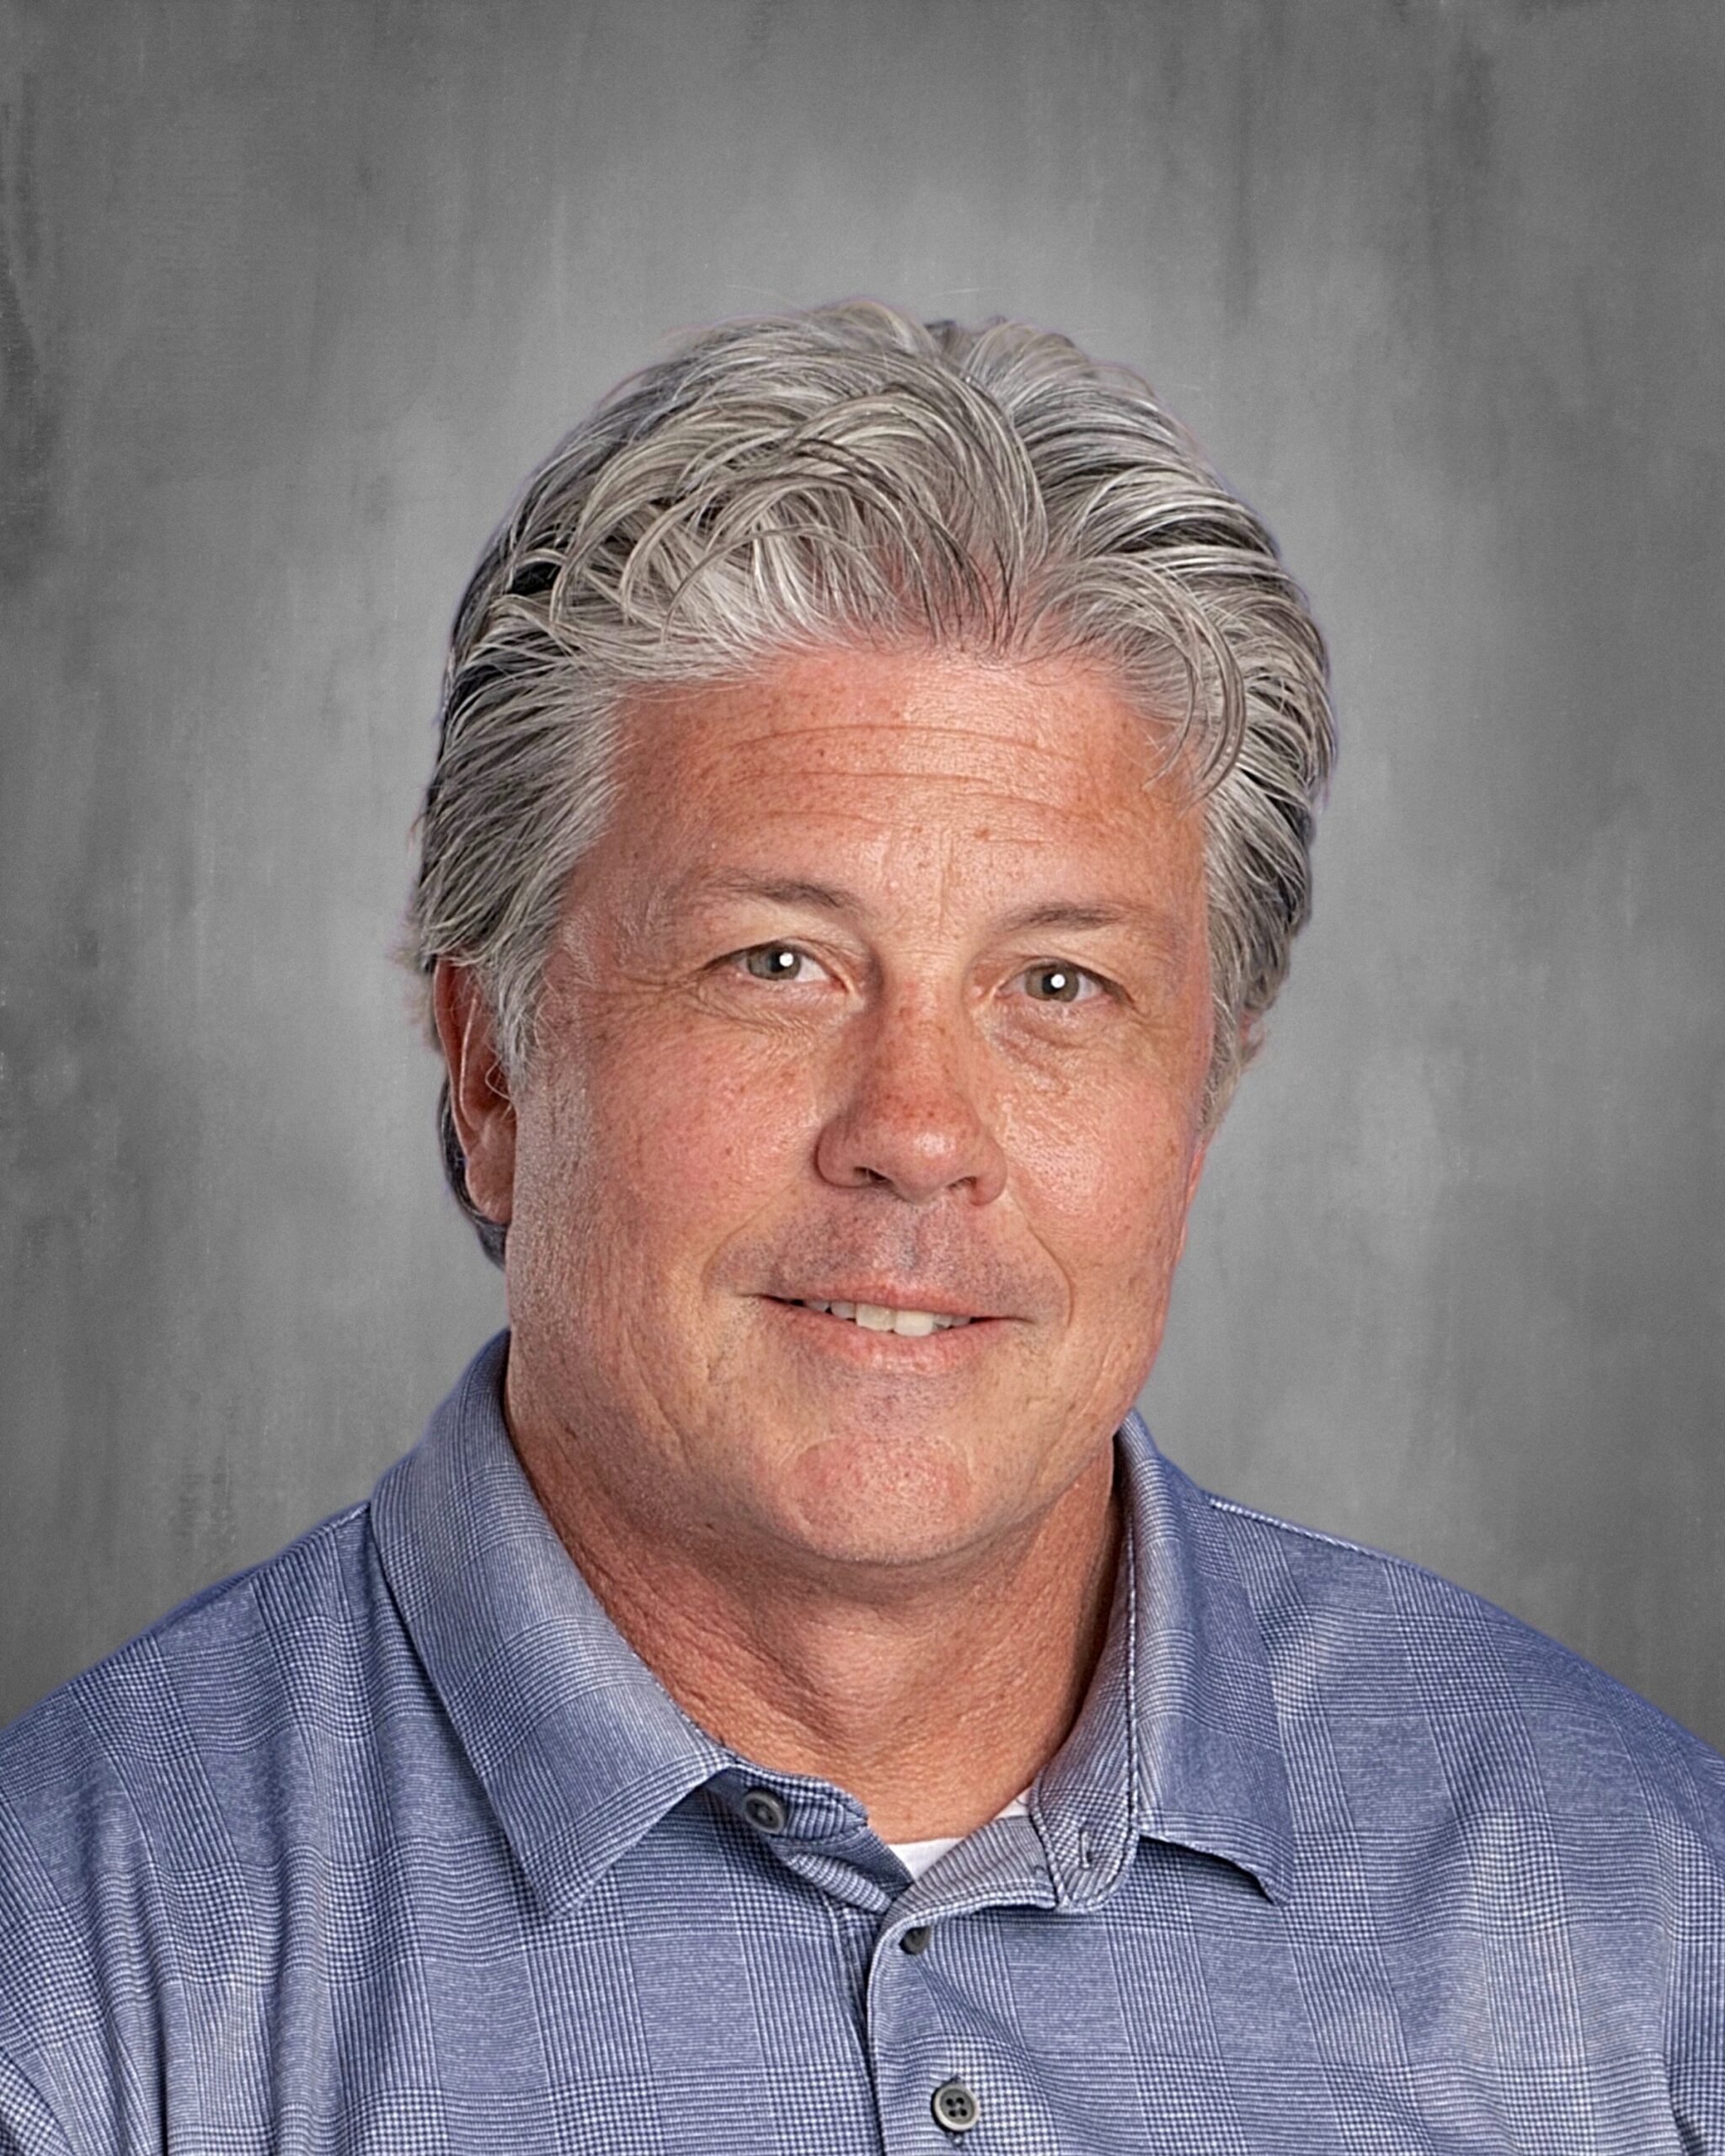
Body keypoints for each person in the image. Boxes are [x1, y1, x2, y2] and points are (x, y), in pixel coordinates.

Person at [1, 302, 1719, 2154]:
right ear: (490, 1070)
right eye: (777, 961)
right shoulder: (83, 1963)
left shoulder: (1634, 1911)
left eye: (1056, 982)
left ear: (1200, 1101)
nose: (914, 1133)